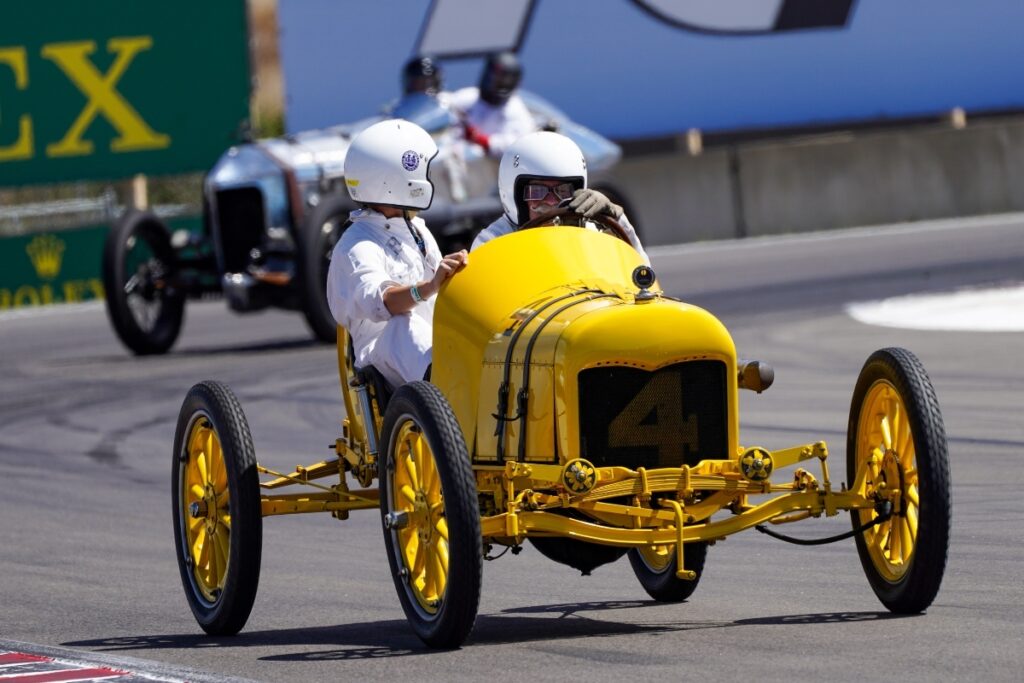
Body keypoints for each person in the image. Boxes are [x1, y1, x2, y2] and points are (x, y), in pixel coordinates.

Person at [326, 119, 468, 388]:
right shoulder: (356, 246)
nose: (427, 179)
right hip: (384, 359)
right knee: (404, 326)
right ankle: (453, 392)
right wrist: (429, 287)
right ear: (394, 179)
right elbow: (384, 301)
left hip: (434, 342)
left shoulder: (414, 228)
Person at [471, 131, 648, 264]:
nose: (550, 201)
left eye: (562, 191)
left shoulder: (594, 232)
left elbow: (642, 277)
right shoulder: (492, 243)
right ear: (515, 194)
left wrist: (617, 221)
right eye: (537, 192)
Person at [449, 51, 538, 158]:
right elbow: (444, 113)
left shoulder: (517, 112)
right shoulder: (465, 97)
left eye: (505, 80)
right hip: (458, 157)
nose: (498, 82)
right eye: (495, 77)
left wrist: (480, 139)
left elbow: (516, 147)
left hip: (491, 167)